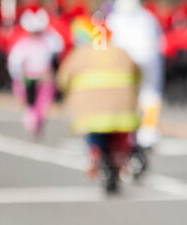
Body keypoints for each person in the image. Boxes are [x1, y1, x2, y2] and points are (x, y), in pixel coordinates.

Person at [56, 16, 141, 184]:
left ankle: (94, 154)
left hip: (91, 113)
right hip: (122, 112)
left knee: (94, 131)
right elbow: (138, 74)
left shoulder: (80, 53)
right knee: (121, 134)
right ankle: (120, 158)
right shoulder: (121, 51)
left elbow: (63, 79)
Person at [106, 0, 164, 156]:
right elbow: (159, 45)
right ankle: (146, 135)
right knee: (149, 98)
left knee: (139, 99)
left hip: (125, 69)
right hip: (143, 67)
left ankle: (137, 136)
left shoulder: (113, 19)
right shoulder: (148, 18)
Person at [7, 8, 62, 138]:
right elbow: (14, 62)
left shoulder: (49, 40)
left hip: (44, 78)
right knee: (29, 104)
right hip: (28, 78)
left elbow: (59, 45)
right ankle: (31, 124)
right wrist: (19, 78)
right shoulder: (23, 43)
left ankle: (37, 124)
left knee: (43, 105)